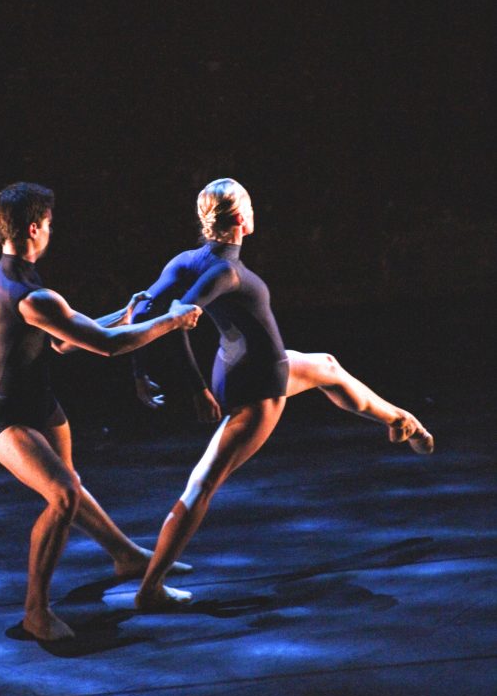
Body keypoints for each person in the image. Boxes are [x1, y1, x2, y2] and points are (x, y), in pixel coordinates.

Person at [131, 177, 434, 611]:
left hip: (238, 366)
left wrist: (140, 373)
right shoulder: (228, 271)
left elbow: (143, 308)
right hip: (259, 386)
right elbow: (178, 318)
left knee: (327, 367)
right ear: (241, 220)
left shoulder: (187, 261)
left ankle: (400, 421)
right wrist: (195, 388)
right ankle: (149, 590)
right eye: (250, 206)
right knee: (202, 484)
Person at [0, 181, 201, 641]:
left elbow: (61, 339)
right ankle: (36, 612)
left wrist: (124, 312)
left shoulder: (23, 279)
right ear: (34, 228)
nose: (52, 231)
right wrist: (171, 321)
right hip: (2, 415)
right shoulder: (27, 292)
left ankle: (127, 556)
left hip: (39, 403)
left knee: (70, 487)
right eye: (50, 224)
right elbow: (106, 348)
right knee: (63, 497)